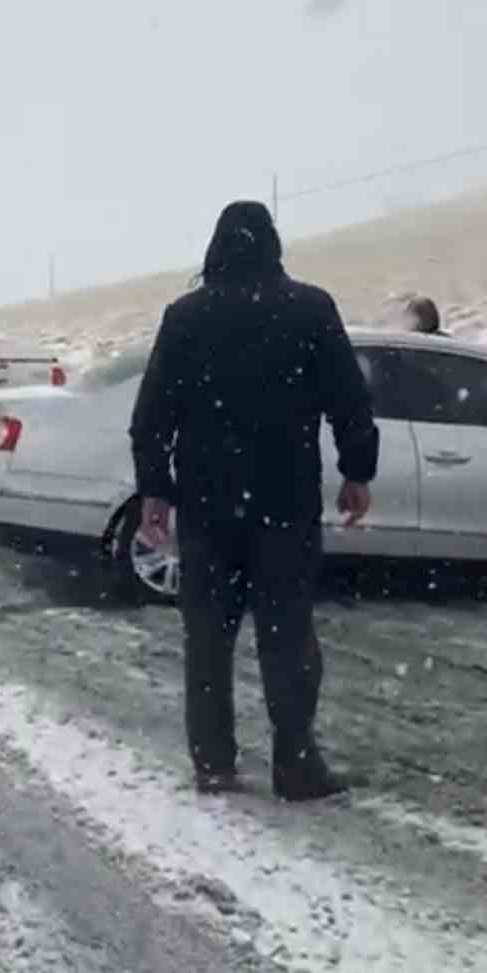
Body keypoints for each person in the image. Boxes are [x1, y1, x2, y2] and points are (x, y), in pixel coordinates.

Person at [130, 201, 379, 801]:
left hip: (208, 506)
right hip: (285, 502)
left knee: (208, 638)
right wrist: (356, 471)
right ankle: (295, 764)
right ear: (273, 246)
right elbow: (349, 399)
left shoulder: (186, 317)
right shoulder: (310, 309)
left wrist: (156, 492)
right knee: (288, 633)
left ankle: (213, 762)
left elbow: (151, 417)